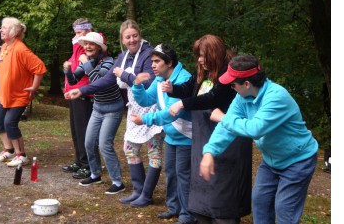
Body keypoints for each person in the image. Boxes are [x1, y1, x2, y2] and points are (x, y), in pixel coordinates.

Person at [199, 54, 319, 224]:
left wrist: (223, 117)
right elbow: (227, 128)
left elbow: (255, 128)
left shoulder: (276, 97)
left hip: (297, 161)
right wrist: (210, 151)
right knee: (260, 203)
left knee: (285, 210)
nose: (231, 87)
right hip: (271, 161)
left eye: (233, 84)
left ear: (246, 84)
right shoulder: (243, 97)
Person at [64, 19, 163, 208]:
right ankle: (138, 190)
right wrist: (82, 90)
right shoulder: (124, 56)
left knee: (154, 153)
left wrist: (124, 75)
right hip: (134, 108)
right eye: (128, 37)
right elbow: (108, 79)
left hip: (152, 108)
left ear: (139, 35)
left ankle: (147, 194)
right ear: (122, 39)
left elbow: (148, 81)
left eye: (135, 36)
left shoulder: (149, 54)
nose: (132, 40)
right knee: (129, 149)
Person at [166, 34, 252, 223]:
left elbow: (213, 97)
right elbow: (192, 90)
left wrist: (182, 104)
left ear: (215, 54)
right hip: (203, 139)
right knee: (203, 192)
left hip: (229, 142)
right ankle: (203, 214)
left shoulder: (229, 75)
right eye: (198, 55)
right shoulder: (204, 72)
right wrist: (173, 89)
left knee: (224, 194)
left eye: (203, 55)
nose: (199, 59)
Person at [130, 43, 196, 224]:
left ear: (169, 62)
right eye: (152, 61)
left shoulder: (184, 79)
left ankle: (187, 214)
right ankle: (174, 208)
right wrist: (136, 85)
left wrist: (145, 120)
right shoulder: (159, 80)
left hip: (186, 136)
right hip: (172, 136)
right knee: (171, 172)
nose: (152, 65)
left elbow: (173, 112)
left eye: (157, 61)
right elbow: (145, 100)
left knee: (183, 175)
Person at [64, 32, 126, 194]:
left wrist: (85, 64)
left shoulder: (109, 62)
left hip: (113, 109)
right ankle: (95, 174)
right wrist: (67, 70)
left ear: (99, 47)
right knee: (89, 142)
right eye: (85, 44)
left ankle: (118, 182)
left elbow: (99, 82)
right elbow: (73, 81)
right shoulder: (87, 61)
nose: (87, 47)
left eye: (91, 44)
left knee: (105, 144)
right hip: (98, 108)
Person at [0, 17, 47, 167]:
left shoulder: (20, 48)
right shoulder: (4, 47)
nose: (1, 30)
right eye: (1, 27)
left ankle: (21, 155)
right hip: (4, 94)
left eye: (5, 27)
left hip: (19, 95)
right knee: (0, 123)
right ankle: (8, 150)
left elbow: (39, 68)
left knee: (10, 123)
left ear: (14, 32)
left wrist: (34, 87)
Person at [61, 18, 94, 180]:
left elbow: (88, 69)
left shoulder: (90, 45)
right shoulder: (78, 45)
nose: (77, 36)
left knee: (83, 130)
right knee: (75, 129)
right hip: (75, 91)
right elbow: (74, 68)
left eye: (80, 32)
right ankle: (79, 160)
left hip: (84, 92)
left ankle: (88, 164)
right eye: (76, 33)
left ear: (89, 31)